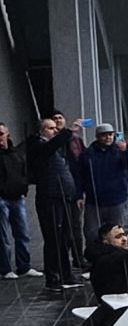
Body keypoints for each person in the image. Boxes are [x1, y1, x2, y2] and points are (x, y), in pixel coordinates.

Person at [31, 114, 84, 290]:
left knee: (64, 238)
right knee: (54, 237)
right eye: (50, 128)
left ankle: (66, 275)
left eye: (56, 128)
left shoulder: (57, 149)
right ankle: (53, 277)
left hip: (64, 196)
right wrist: (68, 132)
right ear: (41, 131)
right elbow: (51, 147)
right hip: (50, 197)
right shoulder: (39, 145)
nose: (55, 130)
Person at [85, 126, 128, 240]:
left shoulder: (119, 150)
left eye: (110, 134)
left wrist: (127, 151)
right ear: (98, 137)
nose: (108, 137)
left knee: (116, 232)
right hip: (94, 201)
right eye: (104, 135)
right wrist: (80, 195)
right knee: (92, 233)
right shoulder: (89, 153)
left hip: (116, 199)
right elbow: (81, 175)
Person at [0, 121, 31, 279]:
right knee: (3, 236)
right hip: (2, 198)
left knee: (23, 233)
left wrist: (24, 189)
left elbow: (23, 171)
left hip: (17, 197)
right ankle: (5, 269)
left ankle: (24, 266)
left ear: (7, 134)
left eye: (1, 134)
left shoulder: (16, 153)